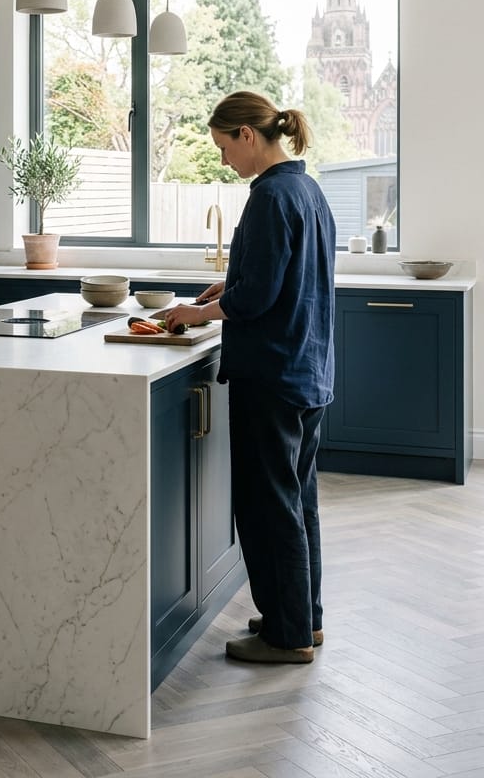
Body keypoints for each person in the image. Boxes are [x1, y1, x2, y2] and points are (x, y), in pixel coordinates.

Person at [164, 90, 335, 665]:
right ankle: (301, 620)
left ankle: (284, 638)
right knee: (297, 500)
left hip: (272, 374)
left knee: (267, 506)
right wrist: (228, 288)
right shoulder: (306, 190)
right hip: (307, 370)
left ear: (245, 135)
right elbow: (282, 280)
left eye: (222, 148)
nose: (222, 162)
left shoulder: (268, 198)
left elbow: (258, 298)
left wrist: (197, 312)